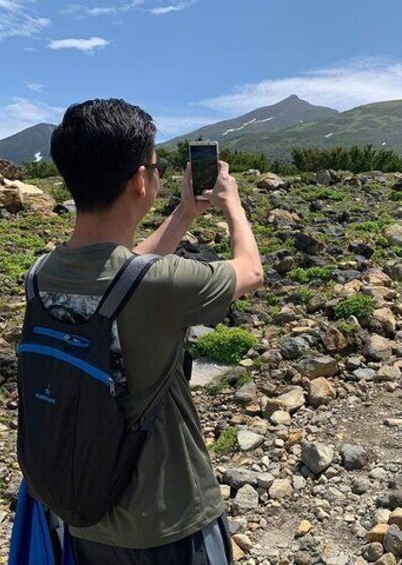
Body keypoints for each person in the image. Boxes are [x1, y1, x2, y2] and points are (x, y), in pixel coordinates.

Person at [32, 99, 263, 563]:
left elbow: (124, 269)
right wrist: (232, 204)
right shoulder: (165, 284)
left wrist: (184, 213)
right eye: (155, 167)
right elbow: (250, 271)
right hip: (170, 521)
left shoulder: (41, 274)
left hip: (85, 512)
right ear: (140, 180)